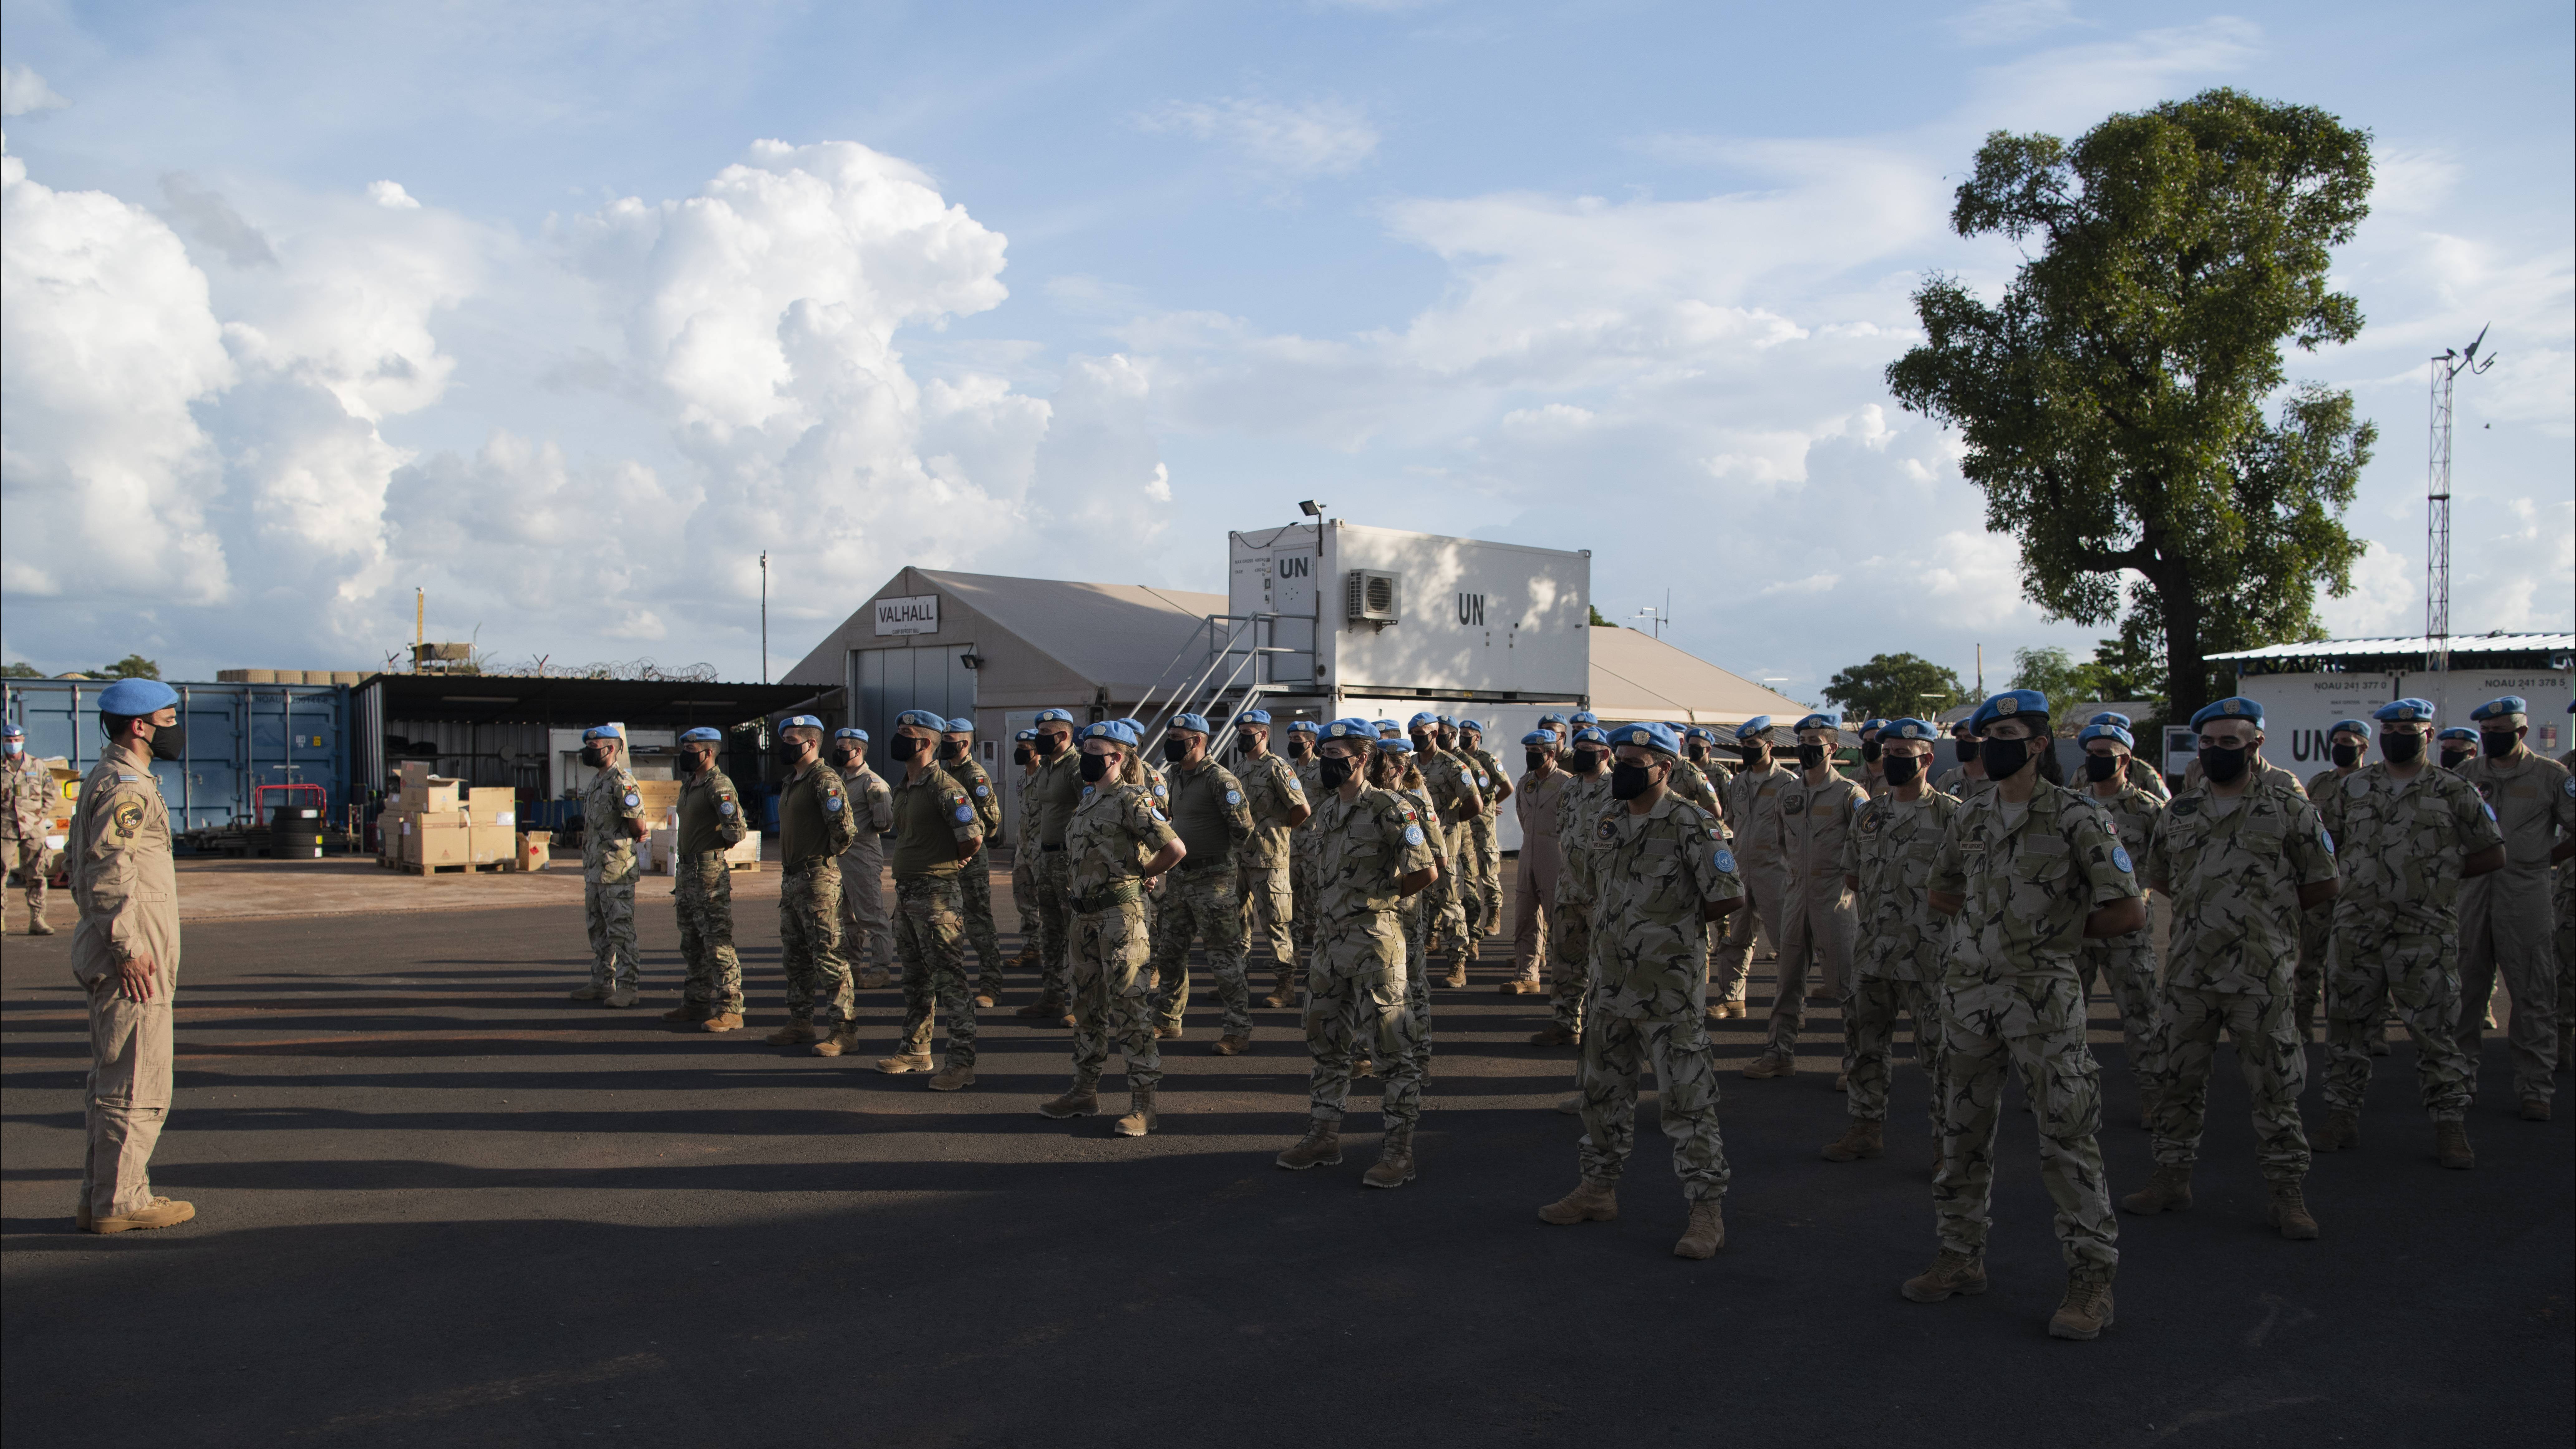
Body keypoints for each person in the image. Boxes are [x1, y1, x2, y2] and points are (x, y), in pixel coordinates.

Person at [1905, 689, 2140, 1342]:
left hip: (2043, 1003)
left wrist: (2051, 937)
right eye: (1984, 734)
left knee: (2066, 1139)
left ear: (2037, 744)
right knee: (1958, 1133)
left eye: (2005, 732)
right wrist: (1986, 935)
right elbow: (1942, 888)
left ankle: (2090, 1280)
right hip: (1969, 997)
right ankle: (1959, 1256)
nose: (1991, 743)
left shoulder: (2076, 818)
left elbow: (2126, 911)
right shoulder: (1971, 815)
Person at [2125, 698, 2338, 1239]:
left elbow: (2322, 882)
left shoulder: (2289, 808)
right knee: (2177, 1081)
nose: (2216, 751)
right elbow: (2163, 877)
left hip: (2260, 976)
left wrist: (2264, 921)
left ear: (2255, 745)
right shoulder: (2181, 811)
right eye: (2208, 743)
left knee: (2275, 1089)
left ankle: (2288, 1196)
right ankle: (2171, 1179)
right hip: (2191, 973)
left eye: (2229, 743)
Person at [1536, 722, 1745, 1258]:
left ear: (1664, 769)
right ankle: (1597, 1190)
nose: (1624, 769)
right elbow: (1591, 888)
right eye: (1621, 759)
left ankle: (1706, 1213)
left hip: (1667, 991)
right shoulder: (1608, 823)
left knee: (1686, 1104)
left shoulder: (1692, 823)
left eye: (1635, 762)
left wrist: (1670, 928)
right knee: (1601, 1096)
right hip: (1609, 986)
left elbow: (1726, 895)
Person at [2314, 698, 2507, 1165]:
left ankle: (2450, 1126)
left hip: (2424, 934)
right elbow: (2324, 846)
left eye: (2408, 728)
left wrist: (2440, 875)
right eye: (2391, 728)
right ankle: (2342, 1115)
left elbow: (2492, 852)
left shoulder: (2454, 790)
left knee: (2437, 1032)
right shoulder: (2352, 788)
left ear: (2428, 734)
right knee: (2347, 1028)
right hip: (2357, 929)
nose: (2398, 735)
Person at [1274, 719, 1437, 1187]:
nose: (1326, 760)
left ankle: (1398, 1153)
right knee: (1325, 1042)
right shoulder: (1327, 811)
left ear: (1362, 757)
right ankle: (1324, 1135)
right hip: (1329, 947)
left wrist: (1380, 901)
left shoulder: (1391, 807)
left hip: (1375, 945)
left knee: (1393, 1052)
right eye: (1322, 751)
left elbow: (1424, 871)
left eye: (1335, 752)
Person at [66, 678, 194, 1234]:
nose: (175, 730)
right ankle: (121, 1202)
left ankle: (102, 1196)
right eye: (168, 719)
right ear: (140, 726)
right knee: (137, 1081)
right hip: (131, 954)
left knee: (115, 1076)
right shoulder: (128, 787)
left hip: (123, 947)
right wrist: (130, 947)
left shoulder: (114, 775)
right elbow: (107, 872)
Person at [1039, 721, 1185, 1136]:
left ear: (1118, 757)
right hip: (1082, 917)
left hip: (1119, 919)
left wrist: (1141, 875)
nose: (1086, 754)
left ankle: (1144, 1105)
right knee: (1086, 1008)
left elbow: (1175, 848)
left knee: (1130, 1011)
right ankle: (1084, 1091)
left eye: (1095, 749)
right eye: (1085, 747)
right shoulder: (1087, 801)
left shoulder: (1131, 799)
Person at [1825, 718, 1956, 1165]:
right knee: (1865, 1045)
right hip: (1874, 952)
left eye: (1905, 755)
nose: (1893, 761)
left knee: (1940, 1056)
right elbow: (1852, 874)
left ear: (1927, 759)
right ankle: (1865, 1127)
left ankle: (1946, 1144)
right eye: (1889, 753)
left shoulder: (1953, 815)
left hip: (1930, 958)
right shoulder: (1869, 812)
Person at [2450, 696, 2574, 1121]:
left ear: (2521, 733)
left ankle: (2535, 1086)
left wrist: (2547, 857)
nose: (2490, 737)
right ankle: (2459, 1081)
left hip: (2526, 895)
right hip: (2473, 897)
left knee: (2534, 993)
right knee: (2467, 989)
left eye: (2500, 730)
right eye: (2486, 731)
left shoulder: (2550, 776)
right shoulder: (2467, 774)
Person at [1744, 713, 1867, 1081]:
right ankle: (1779, 1052)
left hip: (1835, 897)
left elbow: (1864, 847)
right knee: (1787, 981)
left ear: (1831, 748)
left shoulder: (1850, 794)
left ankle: (1858, 1063)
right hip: (1795, 893)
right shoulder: (1789, 793)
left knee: (1844, 983)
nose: (1806, 749)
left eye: (1815, 742)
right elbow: (1783, 844)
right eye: (1802, 741)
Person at [867, 710, 982, 1088]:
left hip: (937, 897)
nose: (899, 738)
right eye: (898, 731)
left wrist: (955, 858)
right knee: (916, 979)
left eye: (908, 734)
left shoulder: (944, 786)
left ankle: (962, 1063)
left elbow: (973, 834)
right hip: (908, 893)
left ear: (928, 743)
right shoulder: (904, 787)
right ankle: (916, 1049)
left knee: (950, 982)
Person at [2075, 721, 2169, 1121]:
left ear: (2124, 759)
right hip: (2077, 930)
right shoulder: (2072, 803)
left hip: (2128, 933)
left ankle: (2154, 1097)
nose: (2093, 760)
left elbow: (2167, 868)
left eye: (2102, 754)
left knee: (2142, 1020)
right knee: (2065, 1019)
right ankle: (2067, 1095)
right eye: (2090, 753)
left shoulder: (2149, 809)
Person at [1147, 713, 1253, 1044]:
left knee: (1223, 958)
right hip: (1180, 878)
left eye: (1177, 736)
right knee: (1170, 952)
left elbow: (1243, 830)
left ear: (1196, 741)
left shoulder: (1221, 780)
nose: (1170, 741)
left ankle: (1237, 1030)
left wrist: (1218, 856)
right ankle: (1167, 1019)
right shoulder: (1175, 775)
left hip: (1215, 879)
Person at [767, 715, 861, 1053]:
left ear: (810, 744)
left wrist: (822, 862)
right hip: (792, 878)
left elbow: (845, 831)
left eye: (793, 740)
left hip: (817, 879)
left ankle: (843, 1030)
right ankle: (801, 1022)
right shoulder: (793, 780)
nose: (786, 745)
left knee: (829, 955)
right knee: (795, 955)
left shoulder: (824, 779)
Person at [1228, 710, 1309, 1053]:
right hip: (1239, 857)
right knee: (1236, 920)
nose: (1243, 736)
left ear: (1263, 734)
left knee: (1276, 922)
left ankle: (1285, 984)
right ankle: (1237, 979)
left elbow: (1300, 809)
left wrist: (1275, 832)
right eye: (1240, 731)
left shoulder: (1278, 767)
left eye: (1249, 731)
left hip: (1269, 858)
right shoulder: (1238, 768)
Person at [664, 727, 750, 1031]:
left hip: (708, 873)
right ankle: (696, 1001)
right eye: (684, 747)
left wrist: (712, 852)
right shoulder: (691, 783)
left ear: (709, 752)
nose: (686, 753)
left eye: (692, 748)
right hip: (686, 873)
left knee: (717, 942)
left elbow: (736, 829)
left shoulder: (719, 784)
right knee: (692, 941)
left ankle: (731, 1008)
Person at [1536, 726, 1615, 1048]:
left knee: (1604, 961)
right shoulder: (1568, 788)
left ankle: (1602, 1029)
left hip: (1603, 891)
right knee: (1565, 959)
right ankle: (1565, 1023)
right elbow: (1562, 831)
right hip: (1569, 886)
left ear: (1605, 754)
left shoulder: (1618, 788)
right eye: (1578, 746)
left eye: (1589, 748)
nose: (1581, 752)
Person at [1372, 736, 1443, 1087]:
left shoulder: (1415, 804)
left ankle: (1420, 1057)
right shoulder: (1365, 803)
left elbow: (1439, 859)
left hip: (1406, 910)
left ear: (1398, 769)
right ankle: (1371, 1054)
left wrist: (1399, 892)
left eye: (1380, 765)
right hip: (1372, 915)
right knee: (1373, 984)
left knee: (1411, 985)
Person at [1712, 717, 1794, 1021]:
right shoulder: (1738, 783)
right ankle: (1732, 999)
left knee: (1785, 943)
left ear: (1769, 745)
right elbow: (1732, 821)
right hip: (1742, 871)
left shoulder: (1788, 783)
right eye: (1743, 745)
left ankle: (1791, 1007)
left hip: (1775, 872)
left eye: (1752, 745)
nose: (1746, 750)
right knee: (1735, 939)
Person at [2297, 719, 2374, 1041]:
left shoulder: (2374, 783)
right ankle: (2301, 1027)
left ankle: (2360, 1031)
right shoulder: (2319, 783)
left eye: (2348, 740)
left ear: (2363, 747)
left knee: (2356, 963)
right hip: (2321, 881)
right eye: (2337, 740)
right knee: (2310, 960)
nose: (2341, 745)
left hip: (2360, 885)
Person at [1406, 712, 1484, 986]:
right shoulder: (1410, 765)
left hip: (1445, 850)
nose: (1416, 739)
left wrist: (1449, 822)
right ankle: (1415, 962)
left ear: (1435, 735)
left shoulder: (1453, 766)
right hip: (1416, 849)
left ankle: (1457, 964)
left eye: (1420, 735)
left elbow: (1476, 804)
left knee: (1451, 905)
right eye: (1413, 735)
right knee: (1415, 907)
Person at [573, 724, 648, 1008]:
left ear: (611, 749)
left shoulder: (623, 782)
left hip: (616, 870)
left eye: (594, 747)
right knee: (598, 930)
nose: (588, 752)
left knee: (621, 931)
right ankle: (603, 982)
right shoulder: (596, 782)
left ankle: (629, 988)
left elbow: (638, 823)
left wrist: (637, 832)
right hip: (594, 870)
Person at [937, 718, 1009, 1008]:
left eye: (949, 739)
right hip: (947, 859)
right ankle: (949, 985)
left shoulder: (974, 775)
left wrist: (969, 841)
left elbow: (992, 820)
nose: (944, 744)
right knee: (945, 923)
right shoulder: (945, 772)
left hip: (971, 860)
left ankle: (991, 986)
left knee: (979, 923)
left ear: (964, 744)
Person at [1020, 708, 1084, 1020]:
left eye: (1045, 734)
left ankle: (1080, 1002)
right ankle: (1052, 996)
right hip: (1045, 857)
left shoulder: (1077, 767)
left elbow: (1089, 811)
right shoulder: (1045, 767)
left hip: (1069, 859)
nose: (1038, 739)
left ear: (1063, 736)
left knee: (1076, 931)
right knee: (1052, 931)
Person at [830, 728, 897, 989]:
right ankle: (854, 967)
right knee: (847, 918)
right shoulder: (838, 781)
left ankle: (881, 969)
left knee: (871, 915)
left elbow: (885, 822)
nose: (838, 752)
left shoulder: (873, 783)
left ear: (857, 751)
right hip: (839, 858)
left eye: (843, 748)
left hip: (862, 854)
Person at [1507, 730, 1569, 1000]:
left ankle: (1564, 981)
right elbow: (1523, 818)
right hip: (1528, 852)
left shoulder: (1568, 784)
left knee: (1560, 920)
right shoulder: (1525, 783)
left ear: (1551, 754)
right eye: (1529, 751)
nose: (1531, 756)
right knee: (1525, 917)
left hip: (1555, 853)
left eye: (1537, 752)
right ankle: (1526, 976)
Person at [1271, 719, 1326, 1010]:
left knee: (1317, 904)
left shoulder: (1324, 769)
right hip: (1290, 847)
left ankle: (1319, 962)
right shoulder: (1287, 769)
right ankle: (1292, 958)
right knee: (1288, 905)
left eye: (1299, 738)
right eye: (1291, 737)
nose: (1294, 742)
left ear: (1312, 742)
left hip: (1316, 846)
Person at [1456, 720, 1513, 942]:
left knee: (1488, 868)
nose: (1463, 737)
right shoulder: (1457, 759)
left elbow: (1508, 787)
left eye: (1467, 734)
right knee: (1465, 871)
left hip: (1484, 824)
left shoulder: (1487, 760)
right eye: (1460, 733)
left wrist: (1491, 805)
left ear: (1478, 737)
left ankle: (1494, 915)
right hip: (1465, 822)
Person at [3, 722, 57, 935]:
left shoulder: (37, 766)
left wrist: (38, 817)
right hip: (4, 829)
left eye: (16, 741)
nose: (13, 744)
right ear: (3, 742)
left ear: (23, 741)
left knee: (36, 875)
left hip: (33, 829)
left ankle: (37, 920)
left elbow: (50, 794)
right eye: (9, 741)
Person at [1008, 729, 1044, 978]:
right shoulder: (1022, 779)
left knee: (1050, 904)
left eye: (1025, 747)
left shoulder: (1048, 777)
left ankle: (1056, 954)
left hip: (1044, 851)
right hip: (1023, 850)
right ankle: (1031, 949)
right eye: (1018, 746)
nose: (1020, 751)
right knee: (1024, 901)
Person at [2085, 712, 2172, 800]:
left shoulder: (2144, 772)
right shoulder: (2082, 773)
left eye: (2103, 752)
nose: (2107, 735)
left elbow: (2164, 806)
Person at [1932, 719, 1991, 801]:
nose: (1962, 742)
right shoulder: (1946, 780)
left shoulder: (1999, 780)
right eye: (1958, 738)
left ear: (1983, 743)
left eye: (1969, 737)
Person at [1855, 719, 1890, 792]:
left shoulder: (1896, 776)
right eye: (1865, 741)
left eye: (1874, 741)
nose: (1868, 745)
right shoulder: (1854, 776)